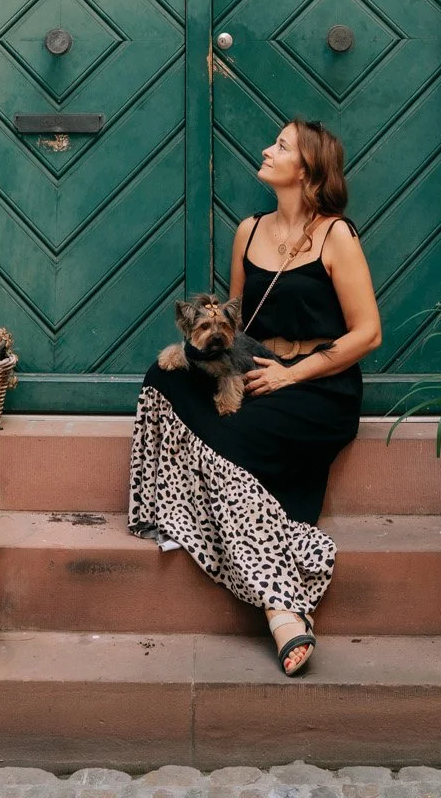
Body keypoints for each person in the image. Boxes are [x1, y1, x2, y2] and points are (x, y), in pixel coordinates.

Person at [128, 118, 382, 677]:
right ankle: (165, 503)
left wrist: (293, 375)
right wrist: (214, 365)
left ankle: (281, 606)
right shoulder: (249, 230)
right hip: (252, 370)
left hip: (318, 386)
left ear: (308, 168)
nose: (267, 149)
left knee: (224, 444)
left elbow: (368, 333)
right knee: (160, 378)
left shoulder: (337, 234)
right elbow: (235, 325)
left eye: (282, 145)